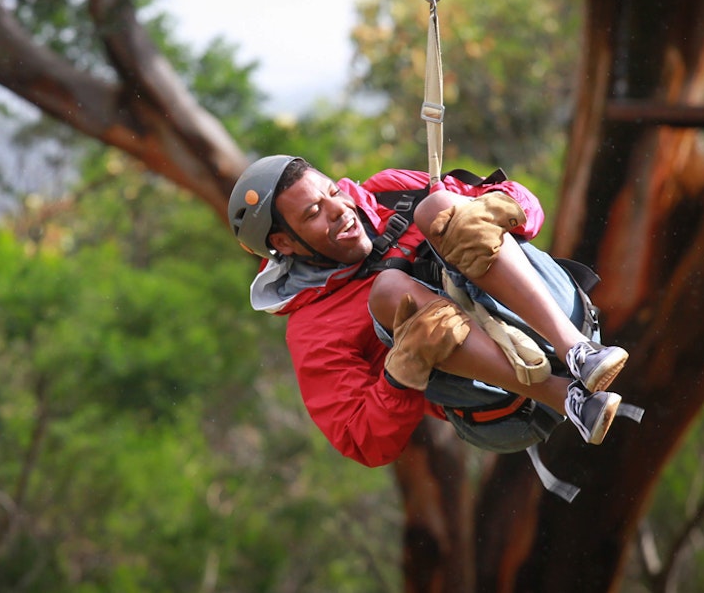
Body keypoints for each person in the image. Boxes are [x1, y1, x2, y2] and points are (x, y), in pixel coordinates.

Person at [227, 155, 632, 474]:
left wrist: (502, 206)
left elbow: (515, 198)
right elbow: (361, 438)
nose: (339, 210)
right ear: (285, 243)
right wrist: (402, 371)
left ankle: (580, 352)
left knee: (440, 206)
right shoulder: (313, 328)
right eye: (314, 213)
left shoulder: (389, 192)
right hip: (505, 406)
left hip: (562, 318)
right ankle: (570, 400)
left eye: (333, 191)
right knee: (388, 293)